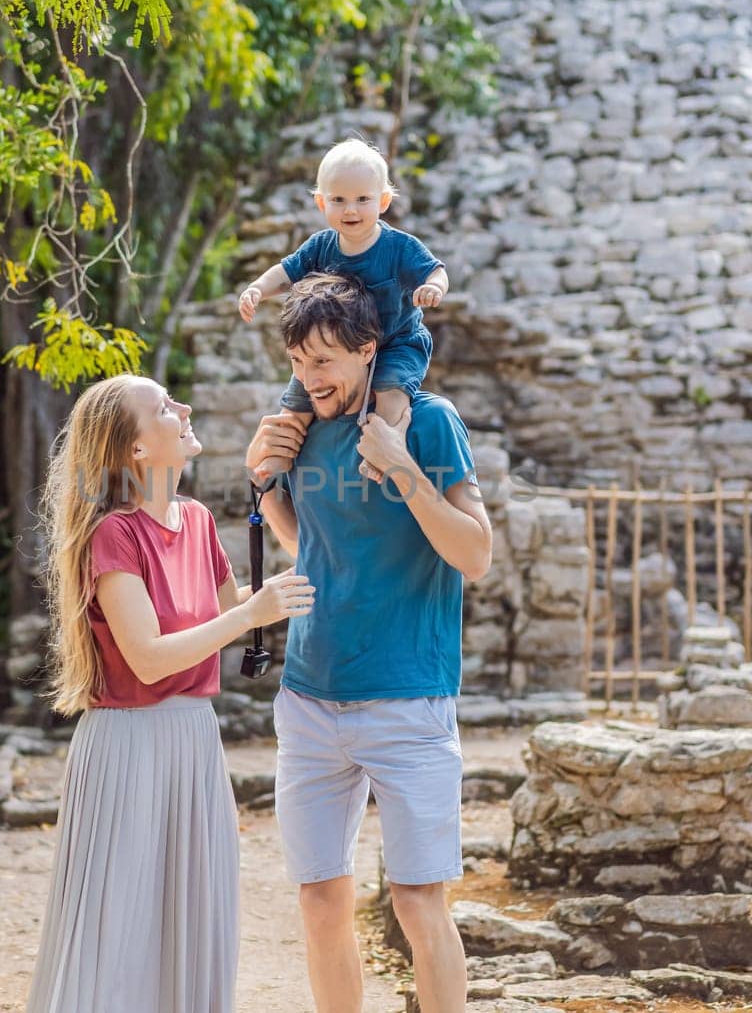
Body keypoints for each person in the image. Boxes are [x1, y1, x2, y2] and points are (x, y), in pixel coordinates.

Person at [25, 374, 314, 1013]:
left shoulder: (200, 520)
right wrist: (249, 614)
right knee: (121, 923)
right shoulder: (114, 535)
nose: (182, 407)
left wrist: (320, 572)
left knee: (190, 908)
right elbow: (150, 659)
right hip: (128, 745)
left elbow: (228, 609)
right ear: (135, 449)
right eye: (163, 407)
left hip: (192, 740)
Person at [244, 273, 493, 1013]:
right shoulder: (301, 427)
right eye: (296, 362)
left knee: (419, 904)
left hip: (409, 700)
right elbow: (307, 547)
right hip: (310, 699)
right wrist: (263, 483)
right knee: (321, 901)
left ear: (367, 349)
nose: (309, 379)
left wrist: (404, 467)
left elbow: (475, 553)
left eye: (324, 361)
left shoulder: (430, 421)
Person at [238, 138, 450, 482]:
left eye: (362, 200)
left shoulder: (398, 247)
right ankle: (279, 458)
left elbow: (435, 271)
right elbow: (287, 272)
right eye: (339, 200)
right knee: (296, 400)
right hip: (331, 350)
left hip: (394, 342)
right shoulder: (321, 246)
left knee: (391, 393)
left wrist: (433, 288)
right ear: (322, 203)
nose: (351, 210)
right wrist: (258, 289)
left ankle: (386, 450)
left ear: (382, 202)